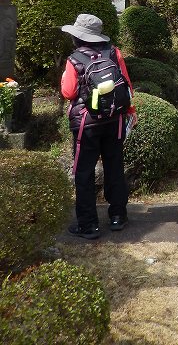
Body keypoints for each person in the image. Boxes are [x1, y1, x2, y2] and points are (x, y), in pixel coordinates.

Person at [60, 13, 135, 239]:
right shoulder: (114, 52)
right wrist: (130, 111)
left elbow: (68, 92)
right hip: (114, 118)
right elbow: (126, 84)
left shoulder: (74, 59)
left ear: (78, 37)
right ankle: (118, 216)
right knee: (115, 166)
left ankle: (88, 225)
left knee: (84, 172)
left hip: (87, 124)